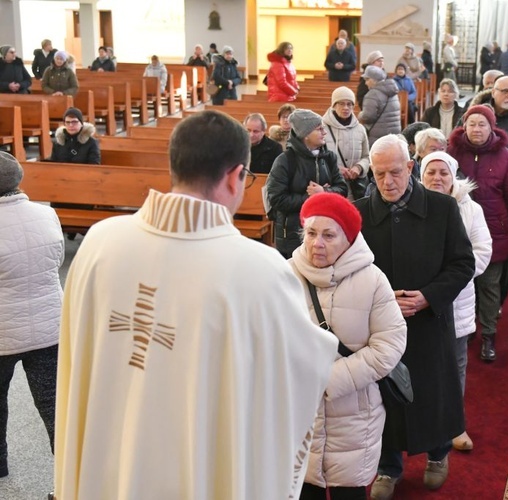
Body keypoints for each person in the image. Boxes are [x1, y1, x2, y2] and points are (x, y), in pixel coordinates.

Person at [54, 109, 338, 499]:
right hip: (195, 478)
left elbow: (76, 366)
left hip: (107, 471)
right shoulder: (258, 270)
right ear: (236, 175)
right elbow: (298, 373)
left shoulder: (99, 243)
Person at [356, 135, 474, 499]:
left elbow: (462, 263)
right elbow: (350, 269)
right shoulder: (360, 213)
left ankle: (438, 455)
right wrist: (380, 298)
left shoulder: (441, 208)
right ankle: (388, 469)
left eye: (395, 172)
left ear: (410, 167)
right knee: (383, 399)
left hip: (428, 323)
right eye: (379, 175)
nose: (387, 182)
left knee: (432, 393)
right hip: (379, 326)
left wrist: (428, 297)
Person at [291, 193, 407, 500]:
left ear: (349, 238)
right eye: (311, 233)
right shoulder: (285, 276)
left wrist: (330, 380)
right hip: (299, 412)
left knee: (349, 493)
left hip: (357, 412)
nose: (317, 243)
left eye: (329, 235)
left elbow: (390, 343)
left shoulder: (373, 280)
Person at [419, 151, 492, 452]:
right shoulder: (411, 206)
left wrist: (447, 277)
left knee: (455, 365)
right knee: (417, 364)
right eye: (430, 172)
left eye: (443, 173)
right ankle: (420, 422)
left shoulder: (470, 209)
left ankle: (454, 425)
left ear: (453, 176)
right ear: (420, 177)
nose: (437, 178)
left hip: (456, 299)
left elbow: (482, 253)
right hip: (416, 301)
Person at [447, 105, 508, 362]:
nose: (476, 129)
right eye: (472, 124)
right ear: (464, 126)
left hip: (495, 232)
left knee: (490, 286)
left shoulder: (506, 156)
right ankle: (467, 327)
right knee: (462, 284)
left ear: (492, 127)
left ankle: (489, 335)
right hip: (458, 230)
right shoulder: (453, 152)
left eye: (482, 124)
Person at [0, 152, 62, 479]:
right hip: (49, 325)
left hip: (2, 332)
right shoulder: (47, 213)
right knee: (53, 406)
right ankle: (71, 469)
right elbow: (56, 259)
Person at [266, 109, 348, 258]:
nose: (324, 132)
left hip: (324, 232)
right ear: (305, 134)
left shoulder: (328, 158)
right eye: (319, 129)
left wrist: (323, 193)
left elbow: (342, 189)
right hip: (292, 236)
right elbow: (276, 198)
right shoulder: (285, 160)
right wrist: (310, 199)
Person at [322, 86, 370, 199]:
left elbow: (366, 157)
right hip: (331, 186)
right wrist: (336, 168)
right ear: (334, 105)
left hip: (354, 188)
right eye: (341, 104)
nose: (346, 108)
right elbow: (316, 156)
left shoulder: (360, 129)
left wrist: (359, 167)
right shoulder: (322, 128)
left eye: (349, 104)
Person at [358, 66, 401, 146]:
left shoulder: (372, 94)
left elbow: (368, 117)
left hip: (377, 137)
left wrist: (360, 115)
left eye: (367, 79)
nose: (365, 83)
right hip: (394, 134)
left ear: (374, 80)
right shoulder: (393, 91)